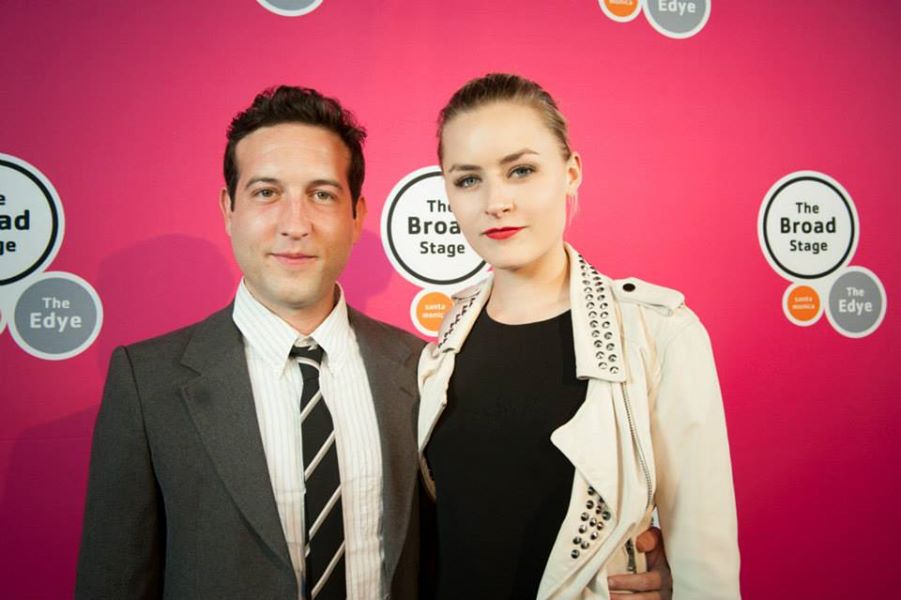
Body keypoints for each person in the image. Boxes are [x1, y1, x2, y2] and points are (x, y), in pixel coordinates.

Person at [75, 86, 424, 599]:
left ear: (357, 215)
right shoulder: (147, 383)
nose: (295, 224)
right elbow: (116, 581)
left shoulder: (420, 368)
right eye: (266, 193)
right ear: (229, 209)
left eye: (322, 195)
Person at [417, 73, 740, 599]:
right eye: (468, 180)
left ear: (571, 173)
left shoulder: (658, 333)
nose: (496, 201)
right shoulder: (442, 345)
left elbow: (707, 567)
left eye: (521, 170)